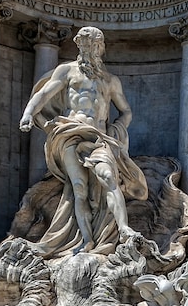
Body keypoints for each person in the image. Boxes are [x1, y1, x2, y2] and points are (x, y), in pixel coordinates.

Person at [18, 25, 148, 255]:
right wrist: (28, 113)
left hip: (99, 137)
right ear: (80, 46)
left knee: (109, 177)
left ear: (101, 48)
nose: (93, 49)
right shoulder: (67, 71)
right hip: (69, 132)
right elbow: (43, 94)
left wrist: (118, 129)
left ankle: (124, 228)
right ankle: (86, 239)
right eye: (88, 45)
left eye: (96, 45)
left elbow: (126, 111)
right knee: (79, 187)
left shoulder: (110, 80)